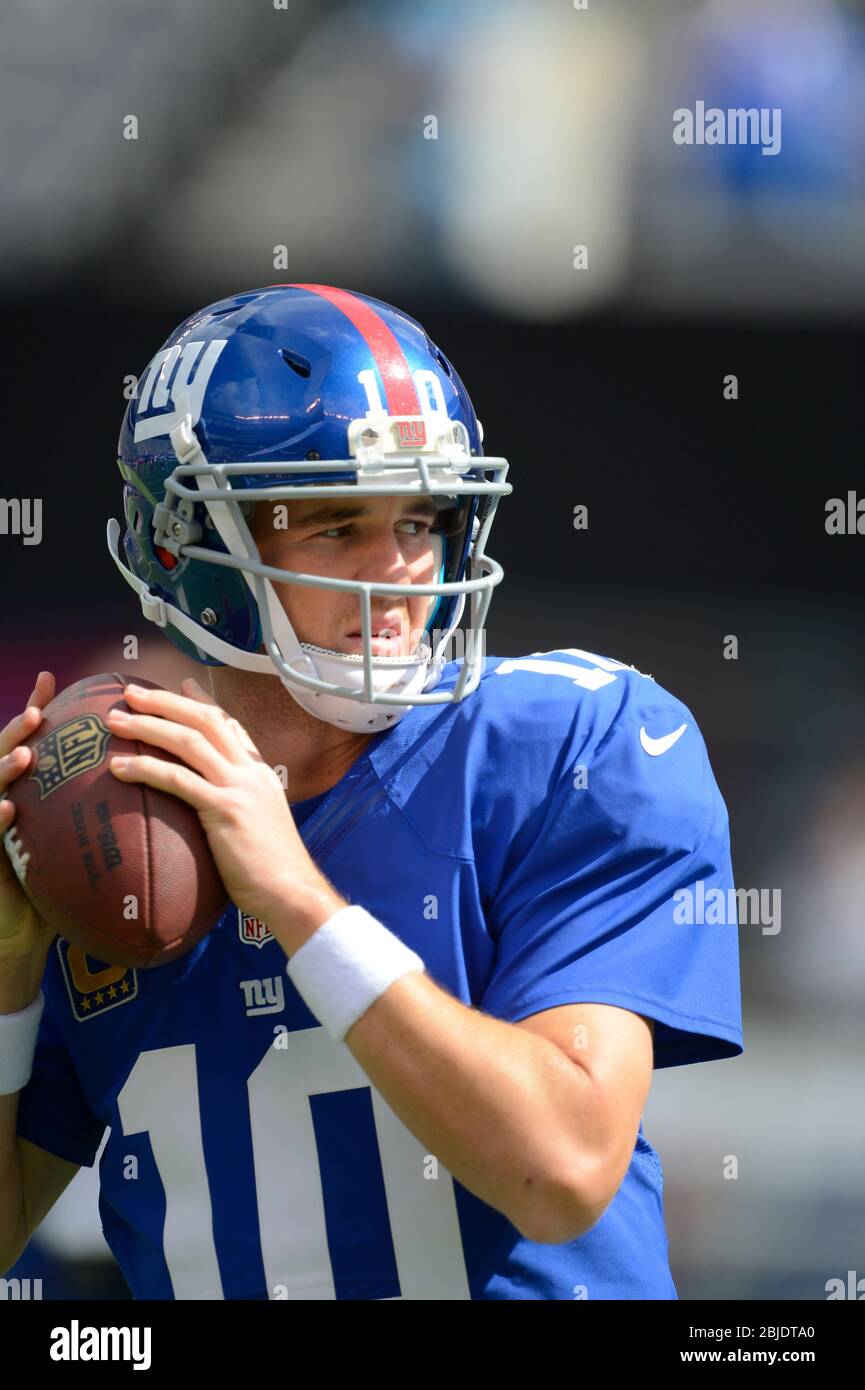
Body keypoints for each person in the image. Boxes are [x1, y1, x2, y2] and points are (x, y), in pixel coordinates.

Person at [0, 284, 742, 1299]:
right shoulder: (113, 825)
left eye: (424, 516)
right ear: (187, 545)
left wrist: (297, 898)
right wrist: (3, 982)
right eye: (336, 523)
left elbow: (563, 1167)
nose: (397, 572)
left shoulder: (569, 746)